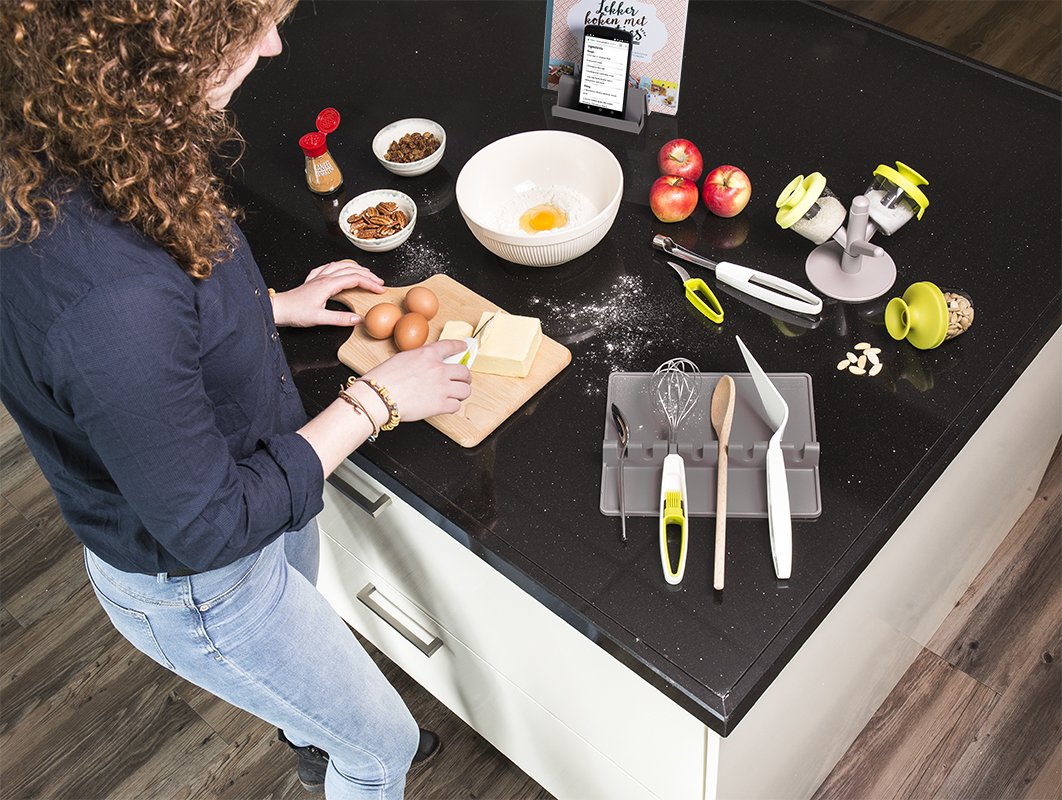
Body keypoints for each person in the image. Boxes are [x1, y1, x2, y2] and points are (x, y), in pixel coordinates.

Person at [0, 2, 472, 798]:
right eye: (249, 26)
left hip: (260, 480)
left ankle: (312, 732)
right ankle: (344, 752)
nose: (275, 44)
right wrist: (376, 400)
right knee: (381, 745)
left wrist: (263, 306)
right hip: (201, 583)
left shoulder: (94, 133)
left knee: (311, 651)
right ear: (154, 43)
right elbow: (209, 525)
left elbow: (164, 280)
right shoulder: (109, 305)